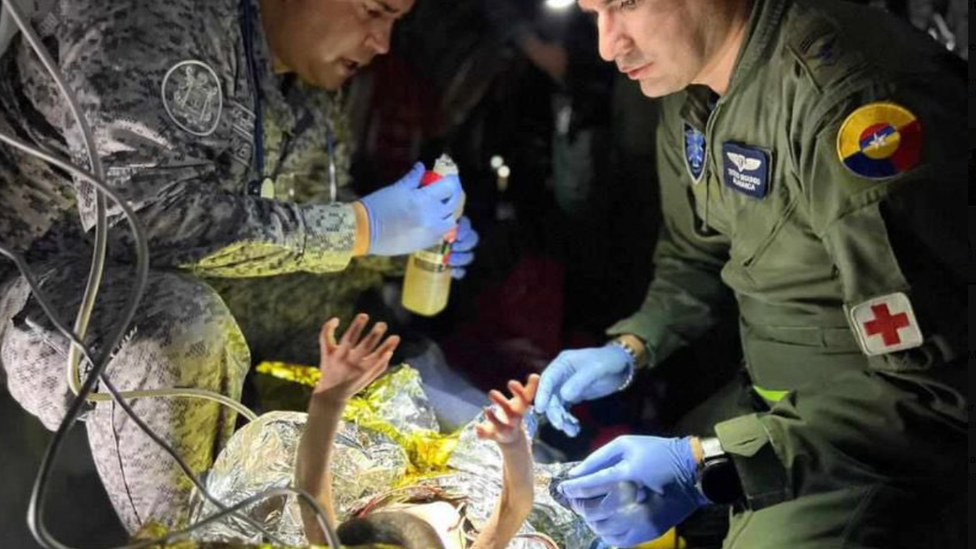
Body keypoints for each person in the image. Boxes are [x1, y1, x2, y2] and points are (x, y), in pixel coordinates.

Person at [0, 0, 478, 532]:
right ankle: (189, 540)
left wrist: (399, 249)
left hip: (189, 279)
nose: (383, 43)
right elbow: (144, 221)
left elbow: (292, 229)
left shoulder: (303, 89)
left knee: (353, 330)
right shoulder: (158, 16)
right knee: (180, 327)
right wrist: (361, 228)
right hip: (46, 287)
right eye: (373, 11)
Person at [534, 0, 967, 547]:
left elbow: (938, 392)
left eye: (625, 3)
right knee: (596, 511)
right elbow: (696, 256)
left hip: (872, 434)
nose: (607, 44)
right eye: (593, 12)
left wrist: (708, 462)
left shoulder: (851, 102)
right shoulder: (694, 89)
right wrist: (634, 344)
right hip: (773, 399)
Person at [295, 313, 537, 549]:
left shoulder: (327, 540)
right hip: (470, 485)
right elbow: (515, 506)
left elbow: (310, 487)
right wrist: (512, 443)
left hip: (395, 483)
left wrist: (330, 395)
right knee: (499, 413)